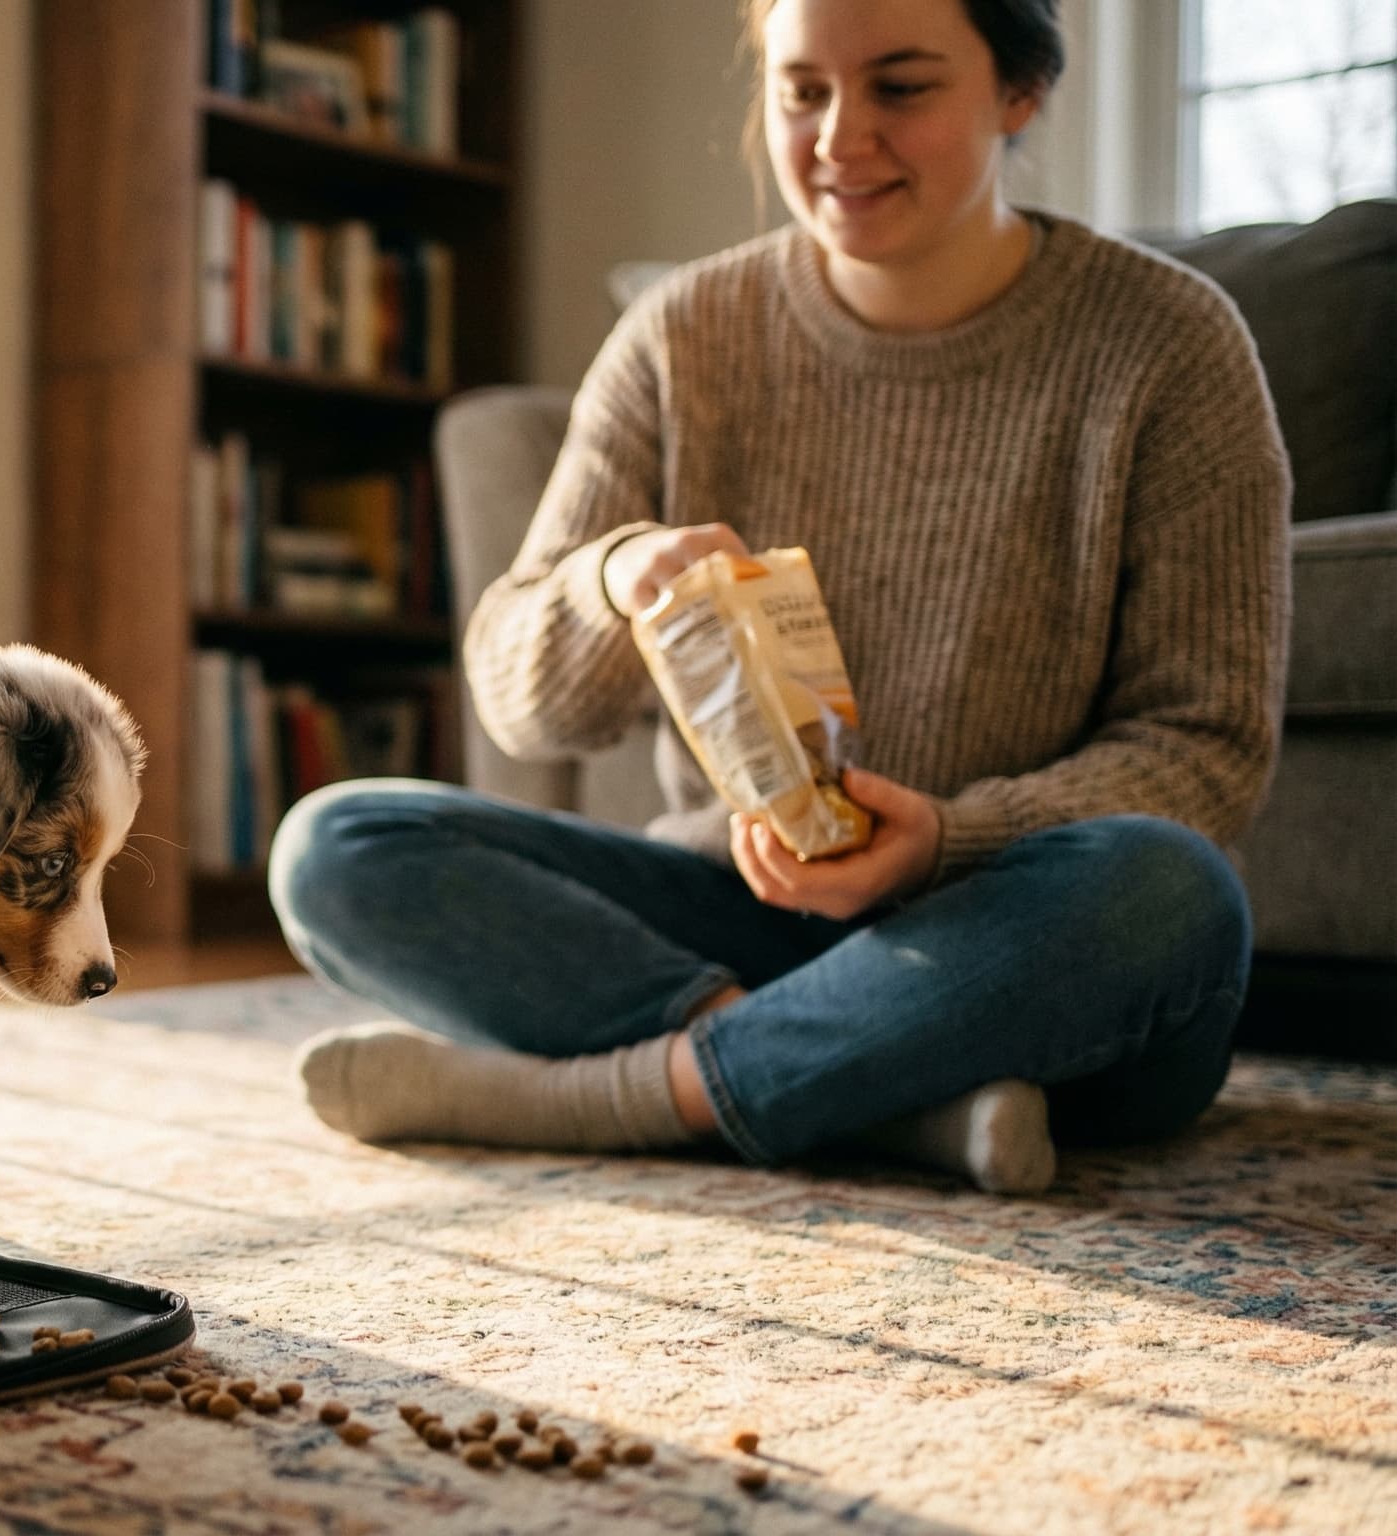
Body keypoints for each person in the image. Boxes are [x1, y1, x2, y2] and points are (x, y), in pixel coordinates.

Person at [266, 0, 1288, 1194]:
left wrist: (943, 842)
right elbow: (517, 703)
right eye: (802, 90)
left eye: (900, 88)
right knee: (337, 846)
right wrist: (608, 582)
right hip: (739, 912)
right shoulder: (682, 336)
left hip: (1018, 938)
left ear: (1019, 93)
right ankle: (876, 1099)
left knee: (1171, 893)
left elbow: (1203, 750)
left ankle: (620, 1101)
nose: (838, 139)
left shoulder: (1171, 344)